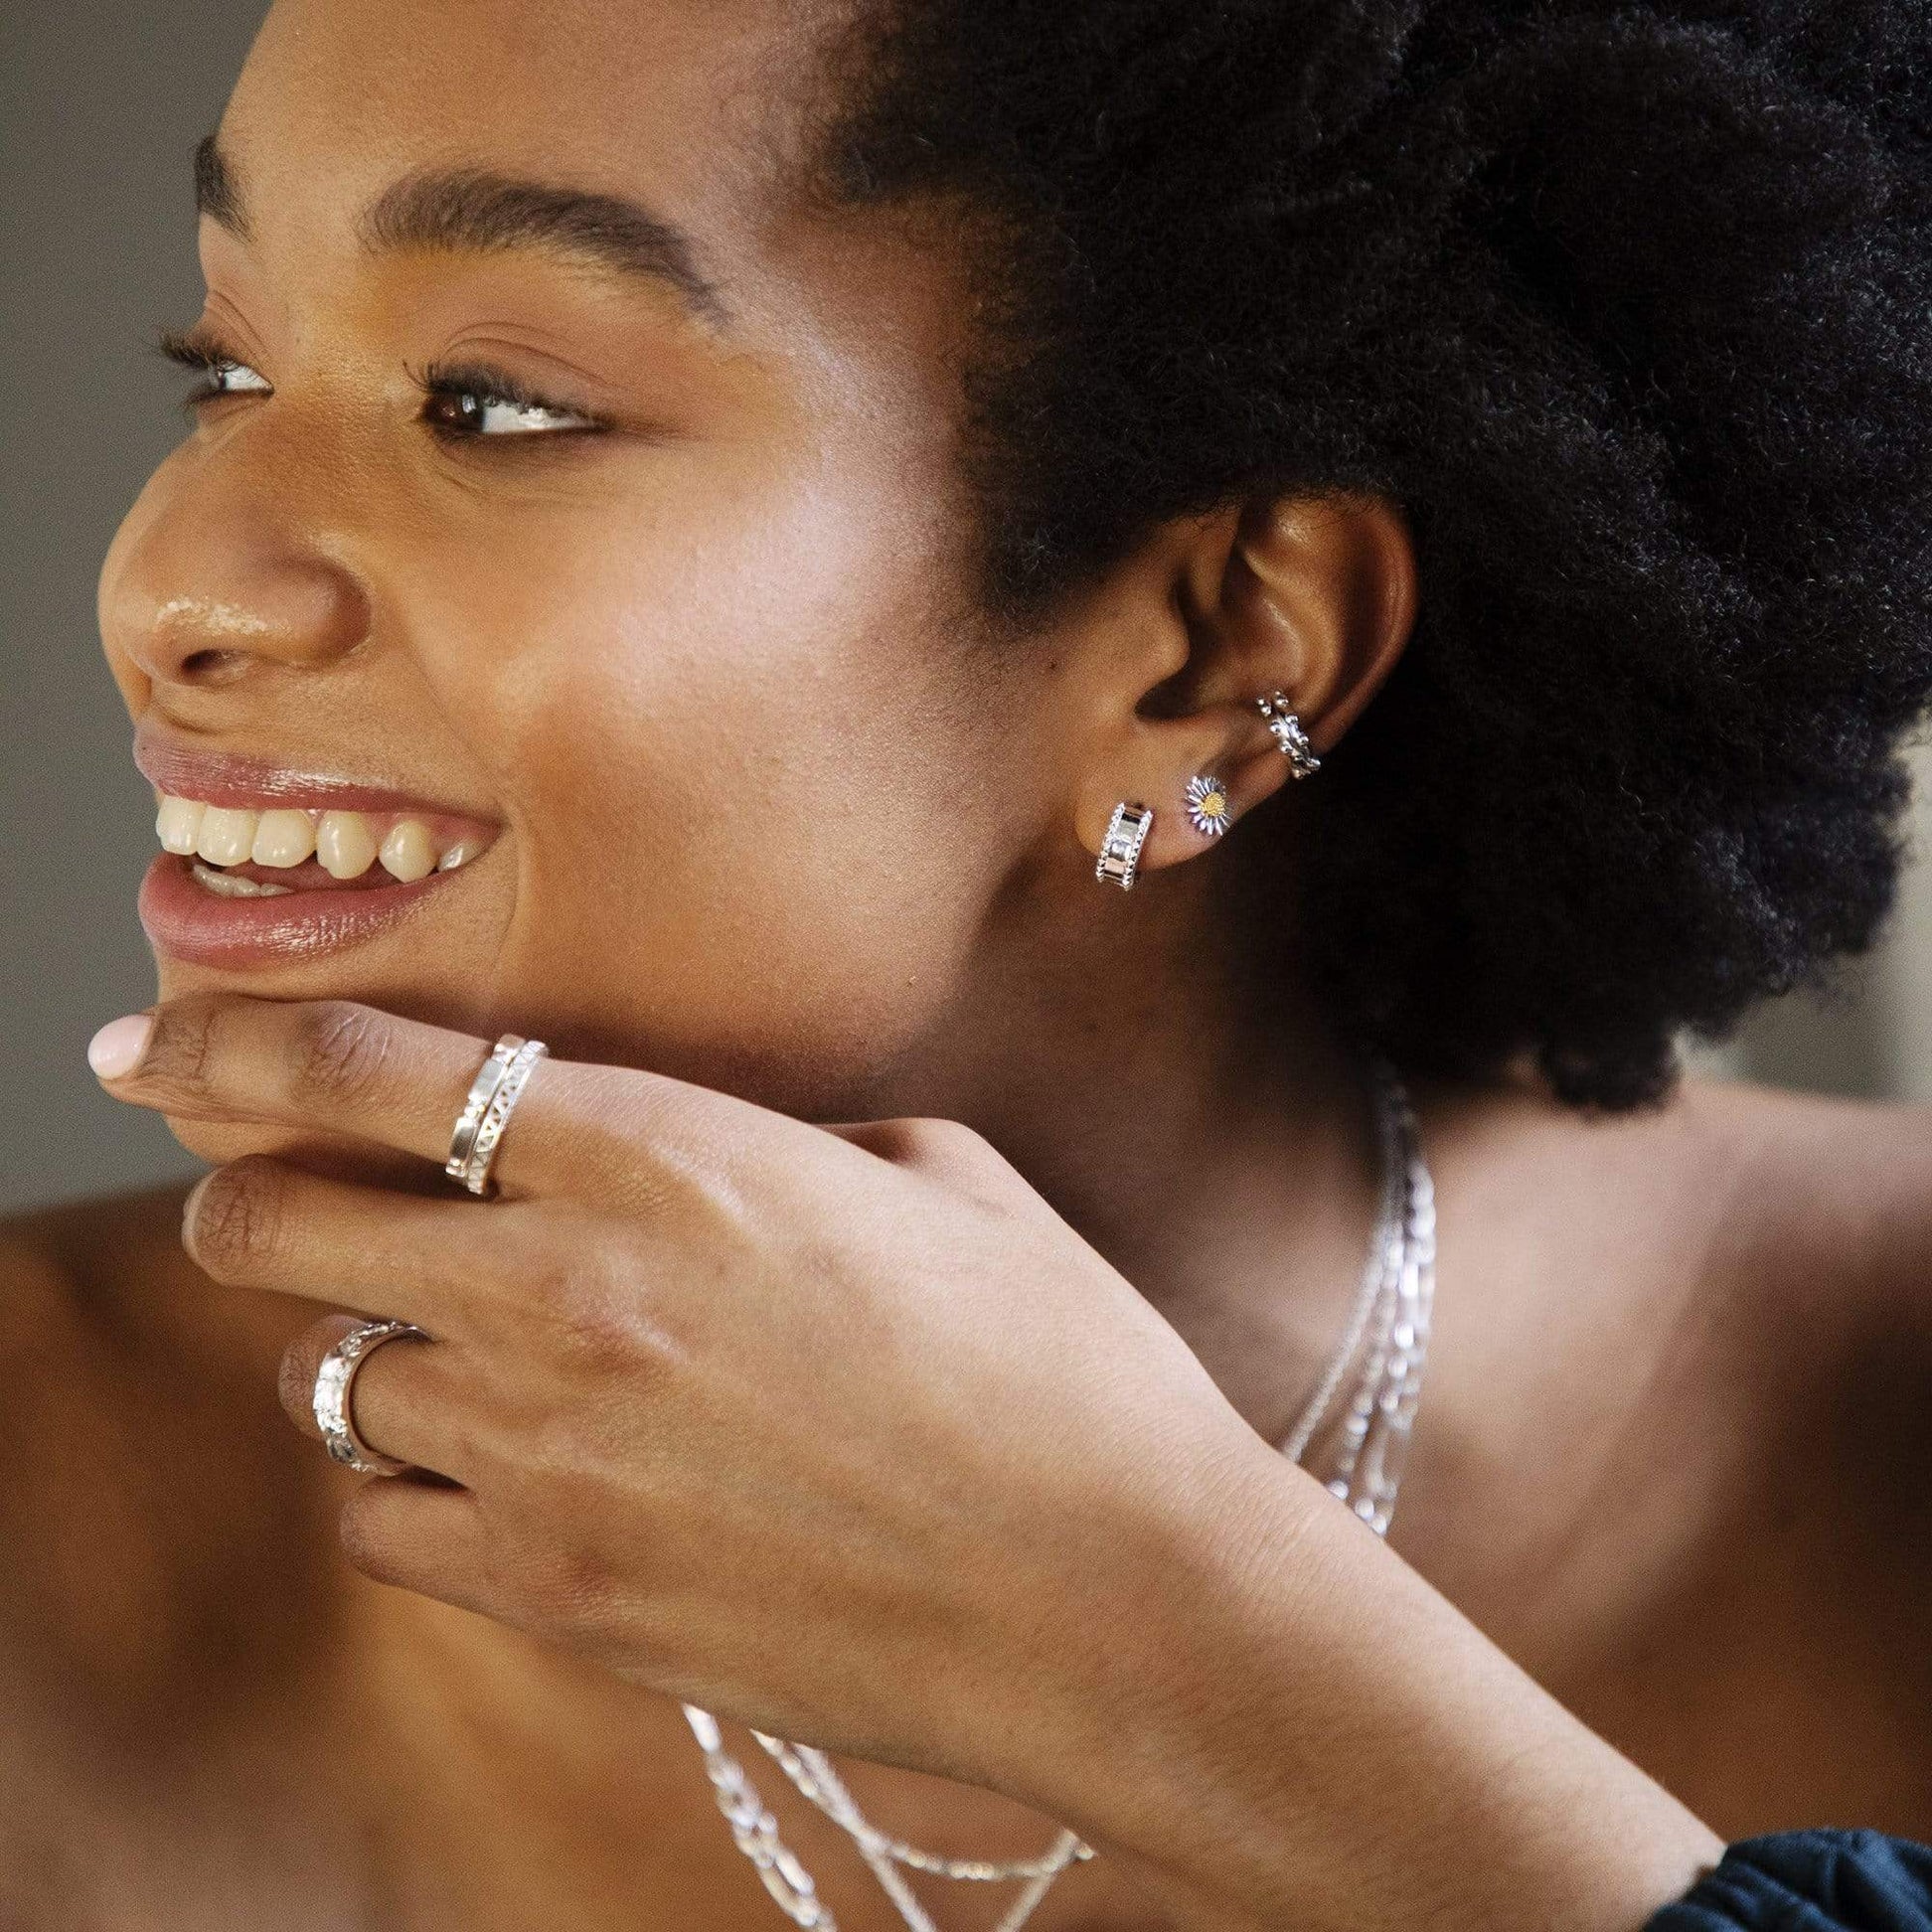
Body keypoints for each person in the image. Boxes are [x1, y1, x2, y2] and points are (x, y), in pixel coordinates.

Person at [4, 0, 1929, 1924]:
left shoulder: (1878, 1422)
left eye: (493, 405)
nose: (168, 583)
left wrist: (1196, 1655)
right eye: (227, 365)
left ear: (1218, 652)